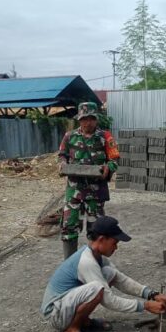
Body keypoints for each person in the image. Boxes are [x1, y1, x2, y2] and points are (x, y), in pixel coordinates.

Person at [42, 215, 166, 332]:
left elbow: (121, 279)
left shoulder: (96, 255)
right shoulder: (86, 262)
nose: (116, 247)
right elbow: (108, 300)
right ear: (102, 239)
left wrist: (151, 294)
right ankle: (71, 330)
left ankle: (84, 322)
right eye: (114, 243)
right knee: (97, 288)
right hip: (55, 313)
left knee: (109, 273)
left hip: (64, 305)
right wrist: (145, 306)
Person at [58, 101, 119, 259]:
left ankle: (94, 261)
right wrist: (62, 164)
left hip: (95, 192)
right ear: (79, 119)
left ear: (96, 119)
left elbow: (115, 159)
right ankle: (69, 263)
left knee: (96, 230)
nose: (88, 122)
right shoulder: (69, 136)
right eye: (85, 119)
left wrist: (109, 167)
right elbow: (62, 155)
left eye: (91, 118)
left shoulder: (105, 137)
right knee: (69, 226)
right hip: (74, 191)